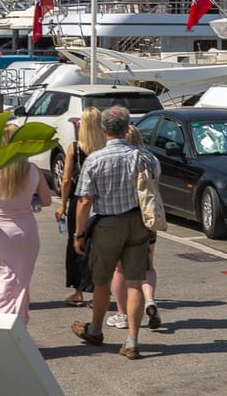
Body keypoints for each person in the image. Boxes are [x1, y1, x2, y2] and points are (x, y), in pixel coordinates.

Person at [71, 106, 160, 360]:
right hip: (138, 221)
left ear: (103, 130)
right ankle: (132, 340)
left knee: (102, 281)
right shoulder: (144, 157)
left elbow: (85, 200)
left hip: (107, 224)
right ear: (128, 127)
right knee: (134, 282)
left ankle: (96, 329)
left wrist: (79, 233)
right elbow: (154, 185)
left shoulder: (95, 159)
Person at [0, 123, 52, 324]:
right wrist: (29, 199)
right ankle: (17, 325)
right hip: (26, 231)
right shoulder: (33, 170)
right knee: (20, 285)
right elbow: (47, 201)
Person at [105, 124, 161, 330]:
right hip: (146, 217)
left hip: (120, 218)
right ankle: (150, 300)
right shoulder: (151, 159)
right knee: (147, 265)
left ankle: (122, 314)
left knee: (119, 269)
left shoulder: (115, 159)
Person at [55, 106, 106, 307]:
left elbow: (66, 179)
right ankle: (97, 292)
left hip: (79, 200)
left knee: (76, 242)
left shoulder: (75, 148)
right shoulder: (104, 147)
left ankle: (78, 292)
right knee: (98, 247)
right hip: (101, 201)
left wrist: (63, 204)